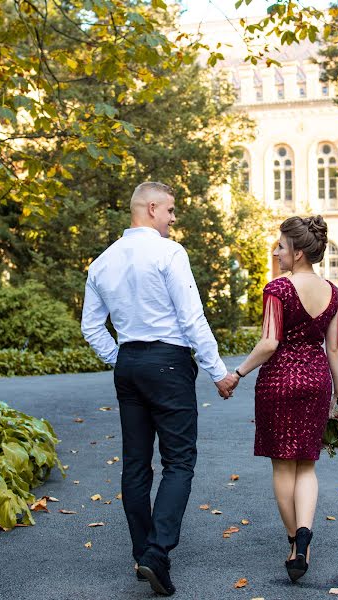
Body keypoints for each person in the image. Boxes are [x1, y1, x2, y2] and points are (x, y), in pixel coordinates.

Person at [81, 182, 236, 596]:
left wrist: (122, 360)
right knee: (179, 462)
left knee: (135, 465)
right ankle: (156, 552)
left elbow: (91, 327)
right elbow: (191, 318)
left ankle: (144, 554)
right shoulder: (169, 253)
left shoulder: (102, 262)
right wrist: (217, 371)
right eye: (169, 210)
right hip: (168, 363)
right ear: (151, 208)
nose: (172, 219)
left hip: (129, 363)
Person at [231, 215, 338, 583]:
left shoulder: (277, 289)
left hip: (280, 381)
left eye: (281, 246)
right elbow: (334, 350)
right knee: (307, 466)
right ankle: (306, 533)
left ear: (298, 253)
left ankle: (296, 543)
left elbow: (269, 343)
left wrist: (236, 374)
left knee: (283, 467)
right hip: (315, 381)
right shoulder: (332, 291)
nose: (276, 251)